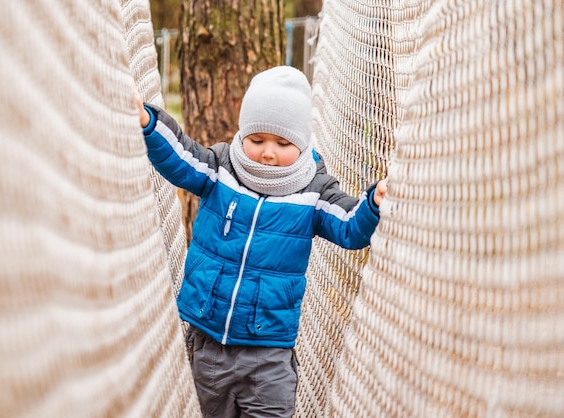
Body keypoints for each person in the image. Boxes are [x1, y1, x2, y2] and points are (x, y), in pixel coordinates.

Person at [135, 66, 387, 418]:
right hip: (210, 343)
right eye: (257, 140)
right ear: (242, 135)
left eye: (283, 143)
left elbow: (350, 227)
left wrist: (374, 203)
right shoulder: (221, 169)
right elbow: (181, 158)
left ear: (301, 144)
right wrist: (148, 122)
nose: (268, 152)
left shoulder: (313, 192)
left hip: (268, 352)